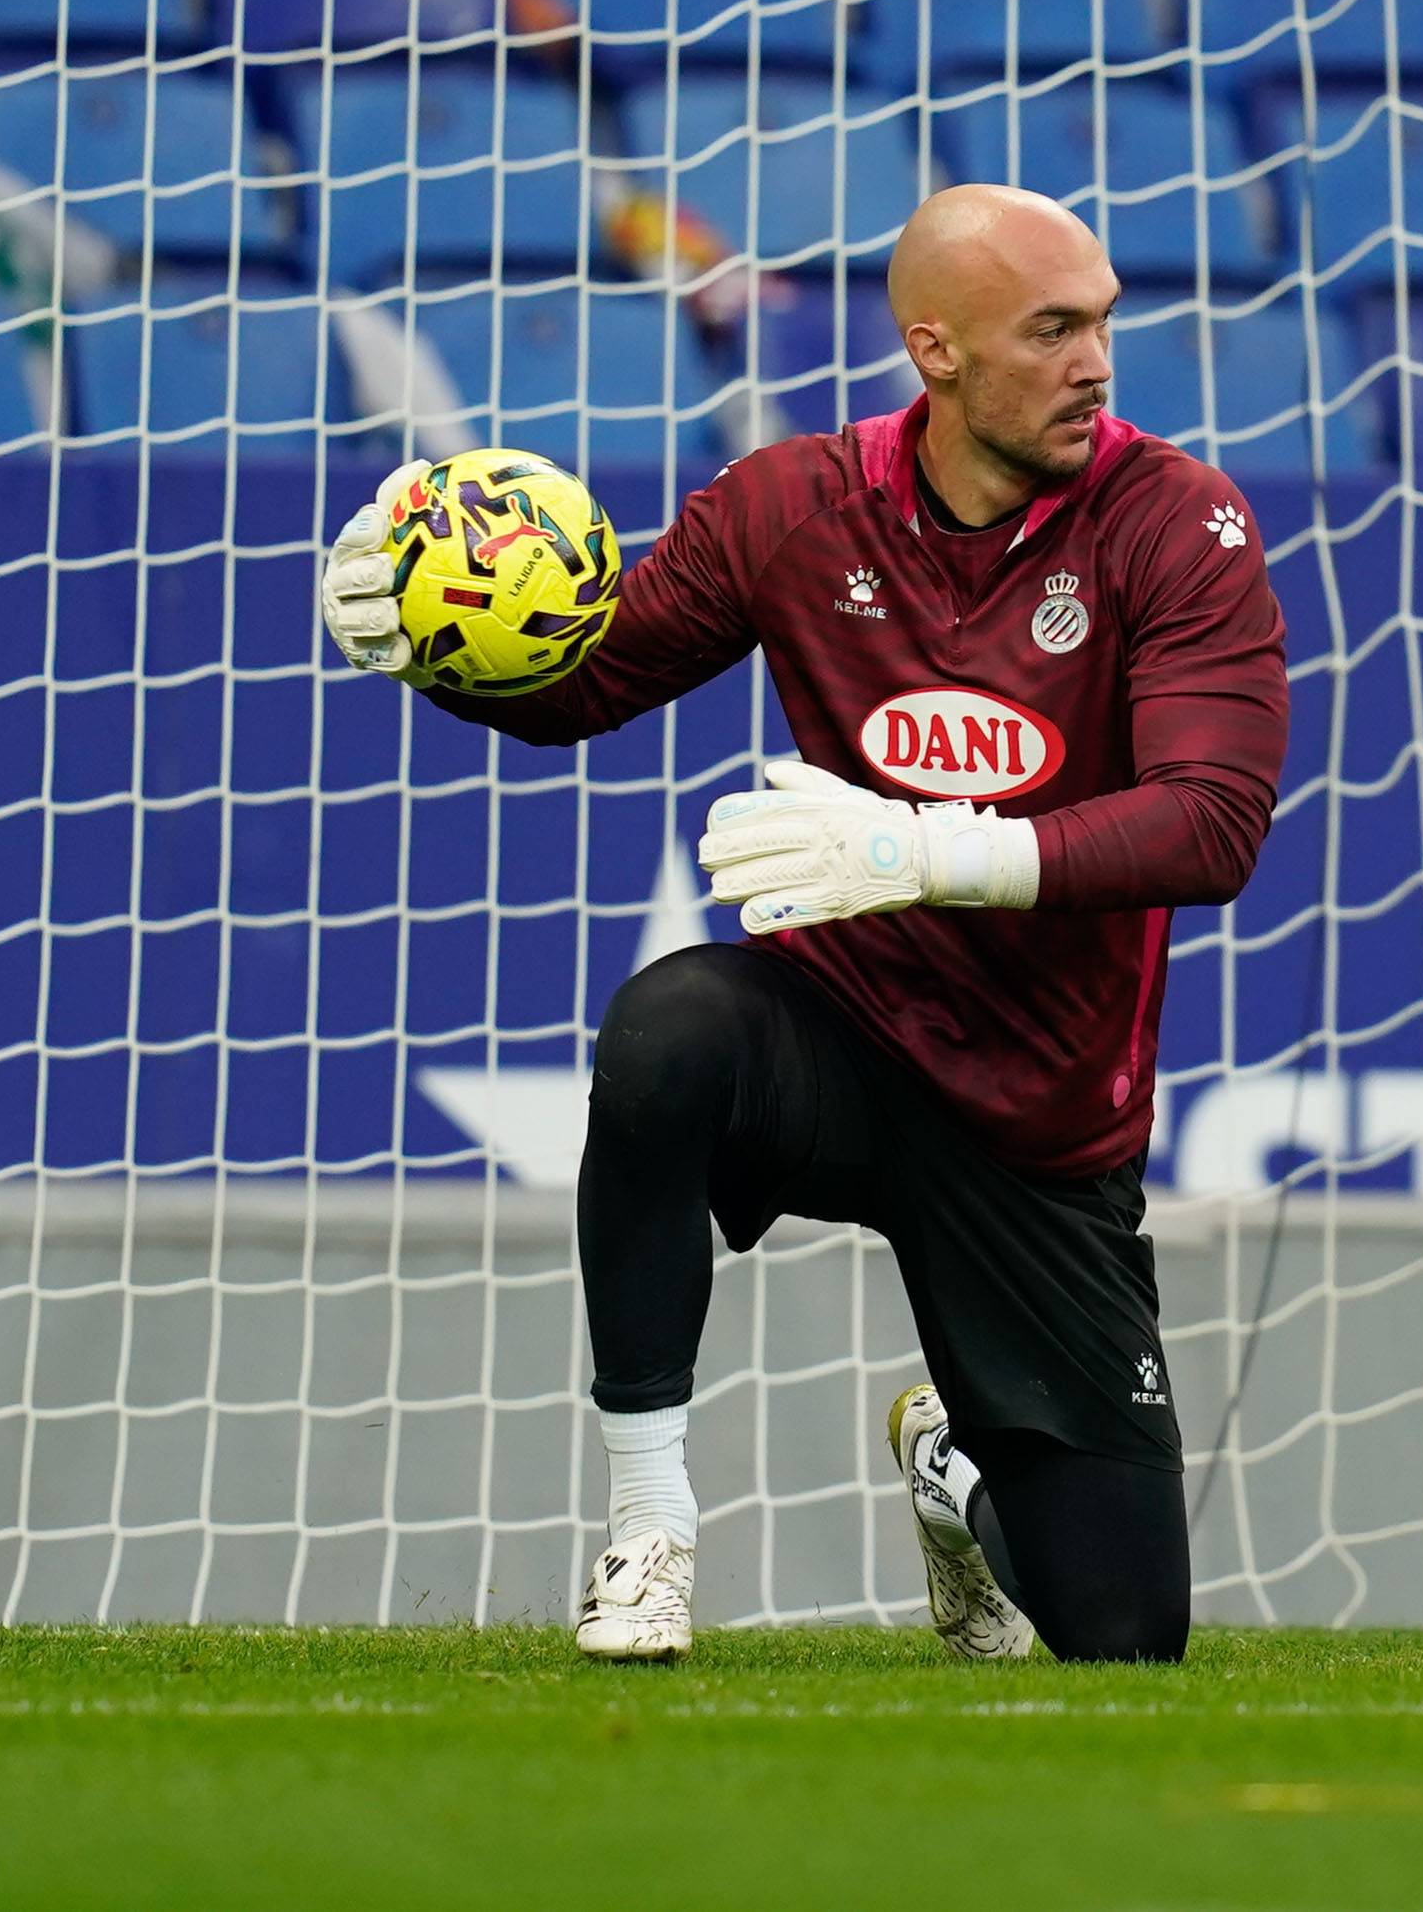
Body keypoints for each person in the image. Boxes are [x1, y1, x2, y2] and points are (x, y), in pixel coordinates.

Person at [317, 186, 1291, 1662]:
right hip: (836, 1045)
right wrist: (431, 642)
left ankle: (954, 1470)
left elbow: (1209, 824)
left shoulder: (1176, 521)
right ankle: (649, 1523)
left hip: (1037, 1117)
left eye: (1101, 322)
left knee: (1123, 1635)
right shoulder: (787, 506)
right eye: (1052, 331)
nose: (1096, 362)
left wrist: (921, 848)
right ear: (936, 349)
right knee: (671, 1029)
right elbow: (584, 687)